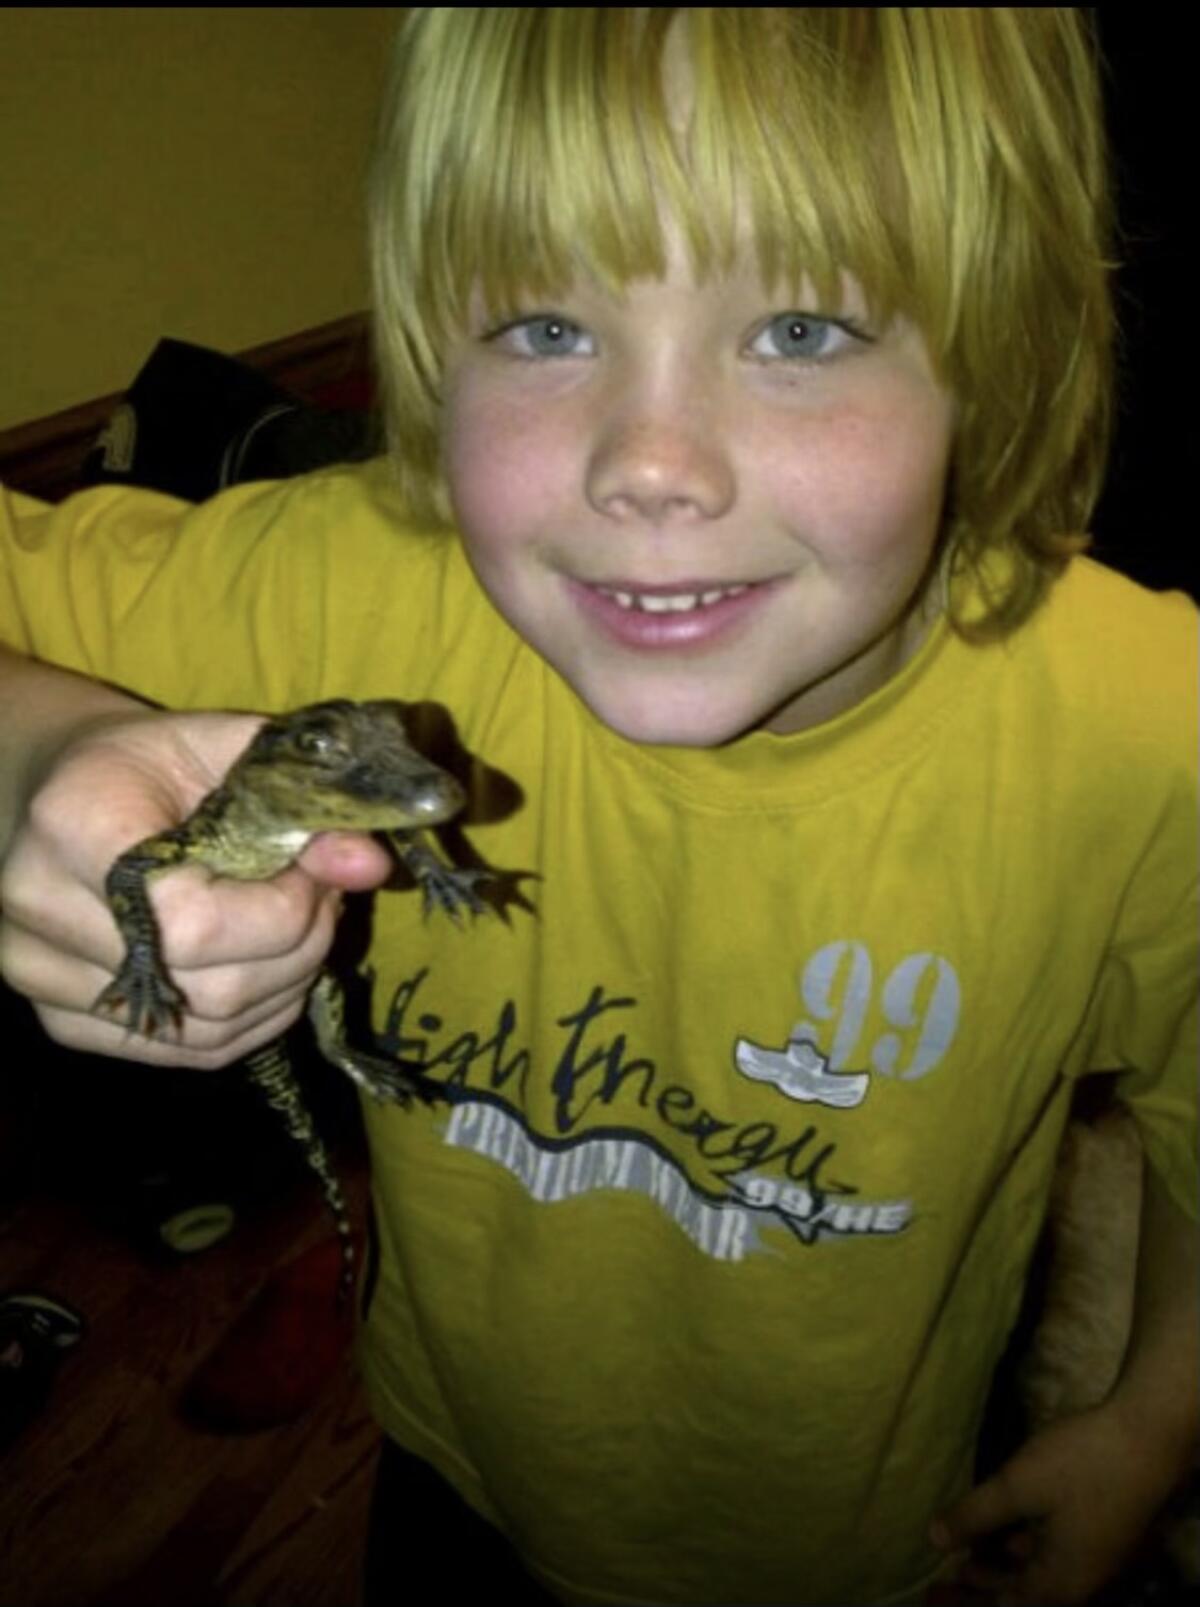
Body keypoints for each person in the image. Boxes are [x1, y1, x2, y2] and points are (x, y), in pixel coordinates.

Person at [0, 10, 1196, 1606]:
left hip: (881, 1542)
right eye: (545, 323)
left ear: (1002, 345)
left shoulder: (1151, 736)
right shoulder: (352, 586)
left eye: (804, 326)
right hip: (444, 1466)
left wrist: (1153, 1419)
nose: (648, 464)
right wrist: (37, 747)